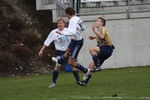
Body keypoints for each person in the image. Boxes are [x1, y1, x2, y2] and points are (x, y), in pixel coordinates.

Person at [38, 19, 83, 88]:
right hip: (59, 52)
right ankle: (53, 82)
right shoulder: (54, 32)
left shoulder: (68, 31)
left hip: (68, 50)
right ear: (57, 25)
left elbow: (74, 39)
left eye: (61, 23)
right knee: (58, 66)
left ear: (64, 24)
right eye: (58, 23)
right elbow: (47, 42)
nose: (60, 24)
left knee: (72, 66)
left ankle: (78, 81)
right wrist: (41, 51)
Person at [53, 7, 89, 78]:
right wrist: (77, 30)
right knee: (67, 51)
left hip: (77, 42)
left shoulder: (72, 20)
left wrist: (62, 33)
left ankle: (86, 71)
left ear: (67, 14)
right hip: (74, 40)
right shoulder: (78, 18)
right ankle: (60, 59)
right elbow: (83, 28)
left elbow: (72, 32)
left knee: (71, 62)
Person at [82, 17, 115, 85]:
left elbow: (102, 37)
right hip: (105, 50)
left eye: (98, 21)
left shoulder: (102, 28)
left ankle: (98, 66)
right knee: (90, 66)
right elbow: (101, 37)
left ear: (102, 23)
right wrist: (94, 37)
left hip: (107, 48)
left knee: (92, 49)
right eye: (96, 21)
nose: (96, 22)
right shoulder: (99, 30)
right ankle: (85, 82)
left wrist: (94, 30)